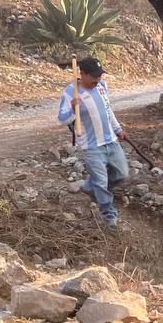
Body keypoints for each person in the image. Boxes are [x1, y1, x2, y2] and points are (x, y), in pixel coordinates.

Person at [57, 57, 128, 228]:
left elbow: (108, 110)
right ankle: (109, 215)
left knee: (122, 174)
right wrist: (74, 109)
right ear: (83, 74)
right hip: (91, 145)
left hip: (110, 140)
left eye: (100, 76)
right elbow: (61, 119)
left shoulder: (102, 87)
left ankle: (90, 187)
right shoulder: (70, 92)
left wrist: (118, 129)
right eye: (94, 76)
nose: (98, 80)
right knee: (102, 182)